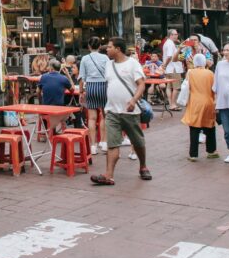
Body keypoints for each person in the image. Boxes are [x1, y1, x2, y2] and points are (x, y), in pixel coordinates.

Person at [90, 37, 150, 185]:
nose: (107, 49)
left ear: (118, 49)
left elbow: (141, 85)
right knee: (112, 144)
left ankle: (143, 166)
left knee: (138, 142)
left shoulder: (132, 64)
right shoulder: (108, 65)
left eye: (109, 47)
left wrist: (133, 100)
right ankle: (108, 175)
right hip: (112, 112)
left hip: (130, 111)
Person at [181, 54, 218, 162]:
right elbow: (215, 89)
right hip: (208, 102)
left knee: (194, 127)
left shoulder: (190, 73)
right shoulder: (210, 73)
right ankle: (211, 151)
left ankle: (193, 154)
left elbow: (186, 87)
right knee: (210, 126)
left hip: (194, 102)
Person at [79, 37, 110, 156]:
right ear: (100, 46)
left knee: (91, 118)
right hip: (104, 86)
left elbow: (82, 77)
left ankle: (93, 146)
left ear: (89, 46)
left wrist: (81, 92)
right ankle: (104, 142)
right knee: (104, 116)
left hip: (91, 87)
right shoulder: (105, 58)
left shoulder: (85, 58)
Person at [39, 59, 73, 132]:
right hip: (59, 109)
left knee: (46, 106)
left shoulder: (44, 77)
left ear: (51, 68)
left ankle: (49, 130)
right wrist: (68, 75)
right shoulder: (64, 78)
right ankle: (53, 131)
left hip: (46, 109)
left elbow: (37, 91)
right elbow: (72, 90)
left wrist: (40, 101)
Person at [162, 29, 184, 111]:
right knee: (176, 87)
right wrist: (164, 65)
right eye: (174, 34)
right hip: (173, 67)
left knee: (169, 86)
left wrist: (165, 66)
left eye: (177, 34)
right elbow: (169, 56)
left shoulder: (167, 43)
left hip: (169, 68)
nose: (176, 36)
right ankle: (173, 104)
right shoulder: (170, 44)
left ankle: (171, 103)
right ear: (170, 35)